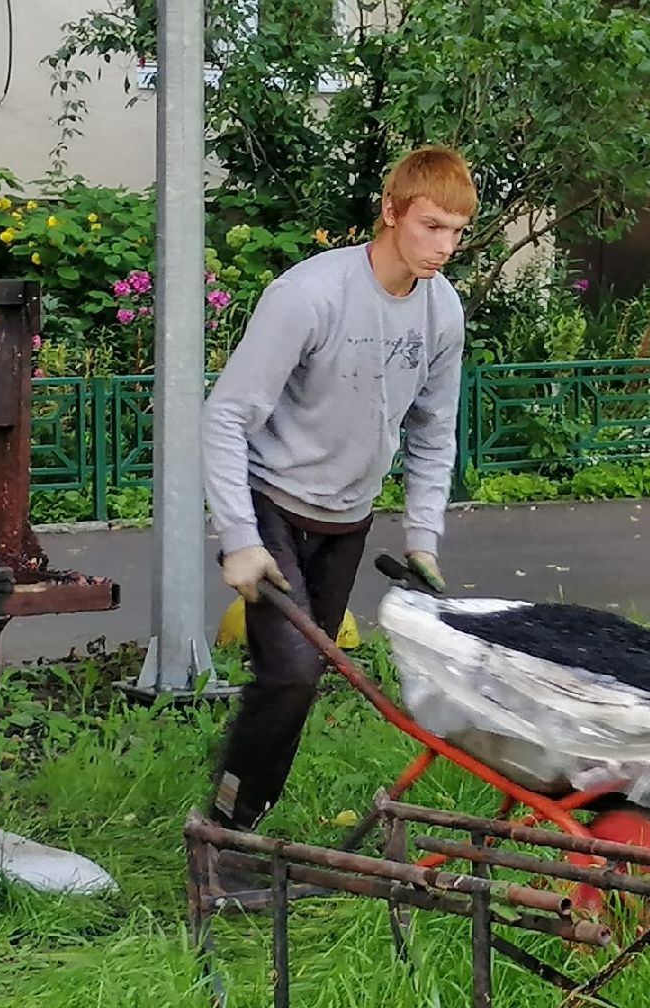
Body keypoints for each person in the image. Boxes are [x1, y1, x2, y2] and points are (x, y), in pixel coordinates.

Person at [201, 145, 478, 832]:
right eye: (430, 226)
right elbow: (226, 415)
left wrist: (422, 540)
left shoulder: (441, 313)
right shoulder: (310, 296)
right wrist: (238, 538)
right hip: (272, 503)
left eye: (456, 232)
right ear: (389, 212)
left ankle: (247, 812)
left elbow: (433, 432)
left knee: (301, 679)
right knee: (290, 673)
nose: (443, 247)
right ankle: (225, 830)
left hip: (345, 521)